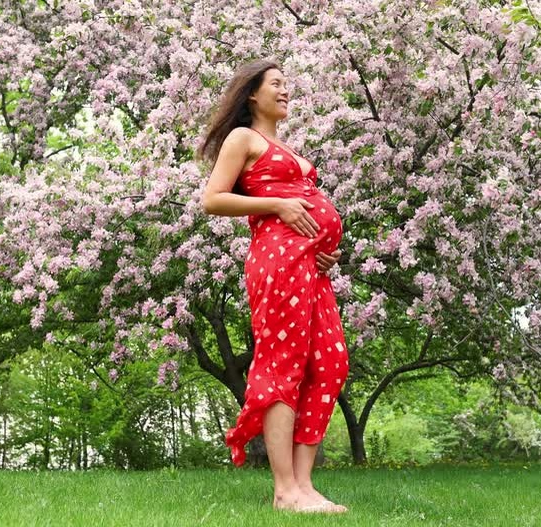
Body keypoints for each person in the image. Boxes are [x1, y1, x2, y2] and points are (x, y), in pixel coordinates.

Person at [197, 59, 350, 514]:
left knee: (330, 363)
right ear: (251, 94)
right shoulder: (243, 139)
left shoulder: (284, 145)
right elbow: (212, 198)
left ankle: (305, 486)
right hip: (278, 261)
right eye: (275, 84)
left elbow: (307, 209)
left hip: (311, 265)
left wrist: (324, 247)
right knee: (284, 364)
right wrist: (279, 206)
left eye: (287, 85)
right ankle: (284, 490)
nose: (285, 91)